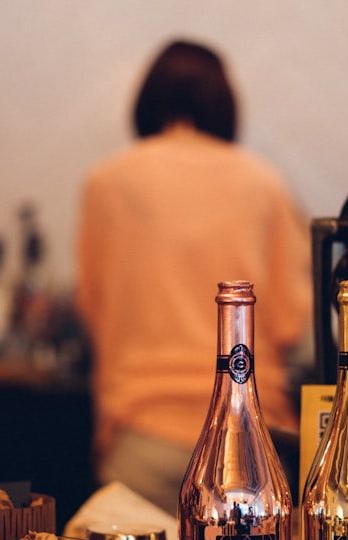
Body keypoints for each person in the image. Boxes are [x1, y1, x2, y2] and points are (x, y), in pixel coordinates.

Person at [74, 39, 312, 515]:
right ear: (223, 103)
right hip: (246, 445)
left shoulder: (107, 182)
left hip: (141, 434)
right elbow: (291, 322)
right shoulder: (263, 183)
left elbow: (91, 306)